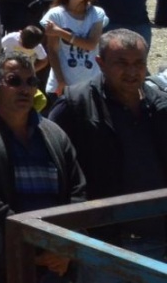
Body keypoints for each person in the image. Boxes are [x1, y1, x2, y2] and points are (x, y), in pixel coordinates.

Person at [0, 55, 85, 283]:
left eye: (31, 82)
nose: (25, 89)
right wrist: (37, 251)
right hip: (5, 266)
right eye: (14, 81)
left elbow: (77, 191)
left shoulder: (54, 134)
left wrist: (66, 246)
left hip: (58, 264)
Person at [48, 29, 167, 270]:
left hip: (159, 240)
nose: (132, 72)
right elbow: (54, 169)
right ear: (100, 62)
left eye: (139, 63)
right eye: (121, 63)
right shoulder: (76, 104)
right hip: (103, 245)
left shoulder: (160, 105)